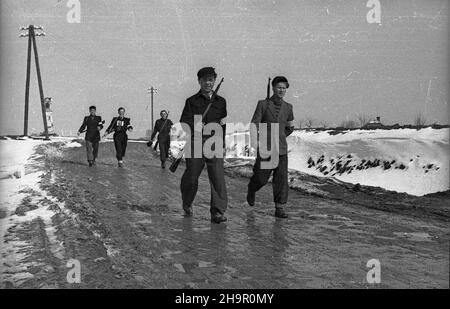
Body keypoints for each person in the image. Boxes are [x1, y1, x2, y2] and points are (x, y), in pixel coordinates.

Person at [179, 67, 228, 224]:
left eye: (211, 80)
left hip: (215, 142)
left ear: (214, 81)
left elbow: (223, 124)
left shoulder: (221, 102)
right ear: (199, 81)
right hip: (196, 141)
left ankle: (217, 212)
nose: (208, 83)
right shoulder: (191, 101)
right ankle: (187, 202)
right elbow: (184, 122)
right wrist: (197, 125)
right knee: (192, 176)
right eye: (205, 80)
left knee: (218, 177)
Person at [246, 76, 295, 218]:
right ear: (273, 88)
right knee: (261, 178)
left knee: (281, 179)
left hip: (281, 149)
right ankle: (251, 188)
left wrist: (279, 136)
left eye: (284, 88)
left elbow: (290, 127)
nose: (281, 90)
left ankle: (279, 208)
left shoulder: (288, 107)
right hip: (266, 148)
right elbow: (254, 124)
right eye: (279, 87)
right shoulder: (263, 104)